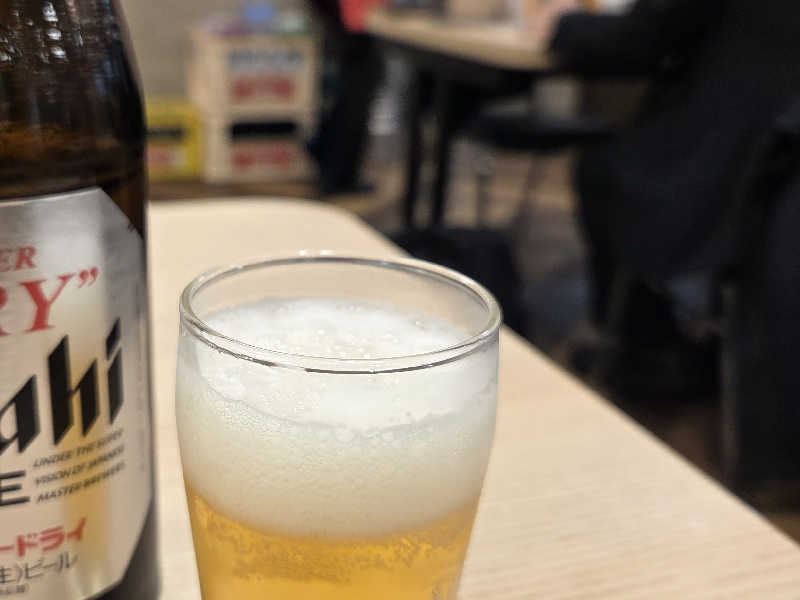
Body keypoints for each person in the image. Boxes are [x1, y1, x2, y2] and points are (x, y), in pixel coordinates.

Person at [533, 0, 800, 386]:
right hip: (774, 162)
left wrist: (563, 25)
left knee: (603, 169)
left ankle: (639, 343)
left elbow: (641, 38)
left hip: (716, 158)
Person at [306, 0, 386, 195]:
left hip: (350, 20)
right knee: (356, 100)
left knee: (352, 97)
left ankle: (330, 161)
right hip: (355, 22)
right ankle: (339, 176)